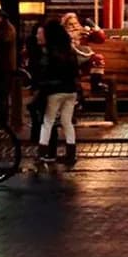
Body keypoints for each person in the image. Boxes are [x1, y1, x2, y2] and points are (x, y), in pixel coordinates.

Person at [36, 19, 79, 166]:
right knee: (67, 122)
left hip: (54, 91)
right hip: (71, 90)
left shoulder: (49, 52)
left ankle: (42, 153)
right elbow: (75, 70)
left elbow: (45, 71)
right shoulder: (69, 50)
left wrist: (42, 85)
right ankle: (71, 153)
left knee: (47, 121)